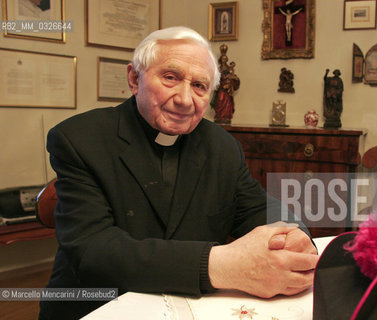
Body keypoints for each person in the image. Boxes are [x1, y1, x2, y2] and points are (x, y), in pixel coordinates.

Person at [39, 26, 318, 320]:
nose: (185, 99)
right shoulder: (79, 139)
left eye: (199, 86)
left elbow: (258, 207)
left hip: (191, 307)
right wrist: (221, 264)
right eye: (171, 78)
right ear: (135, 78)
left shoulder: (222, 146)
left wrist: (294, 235)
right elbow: (94, 252)